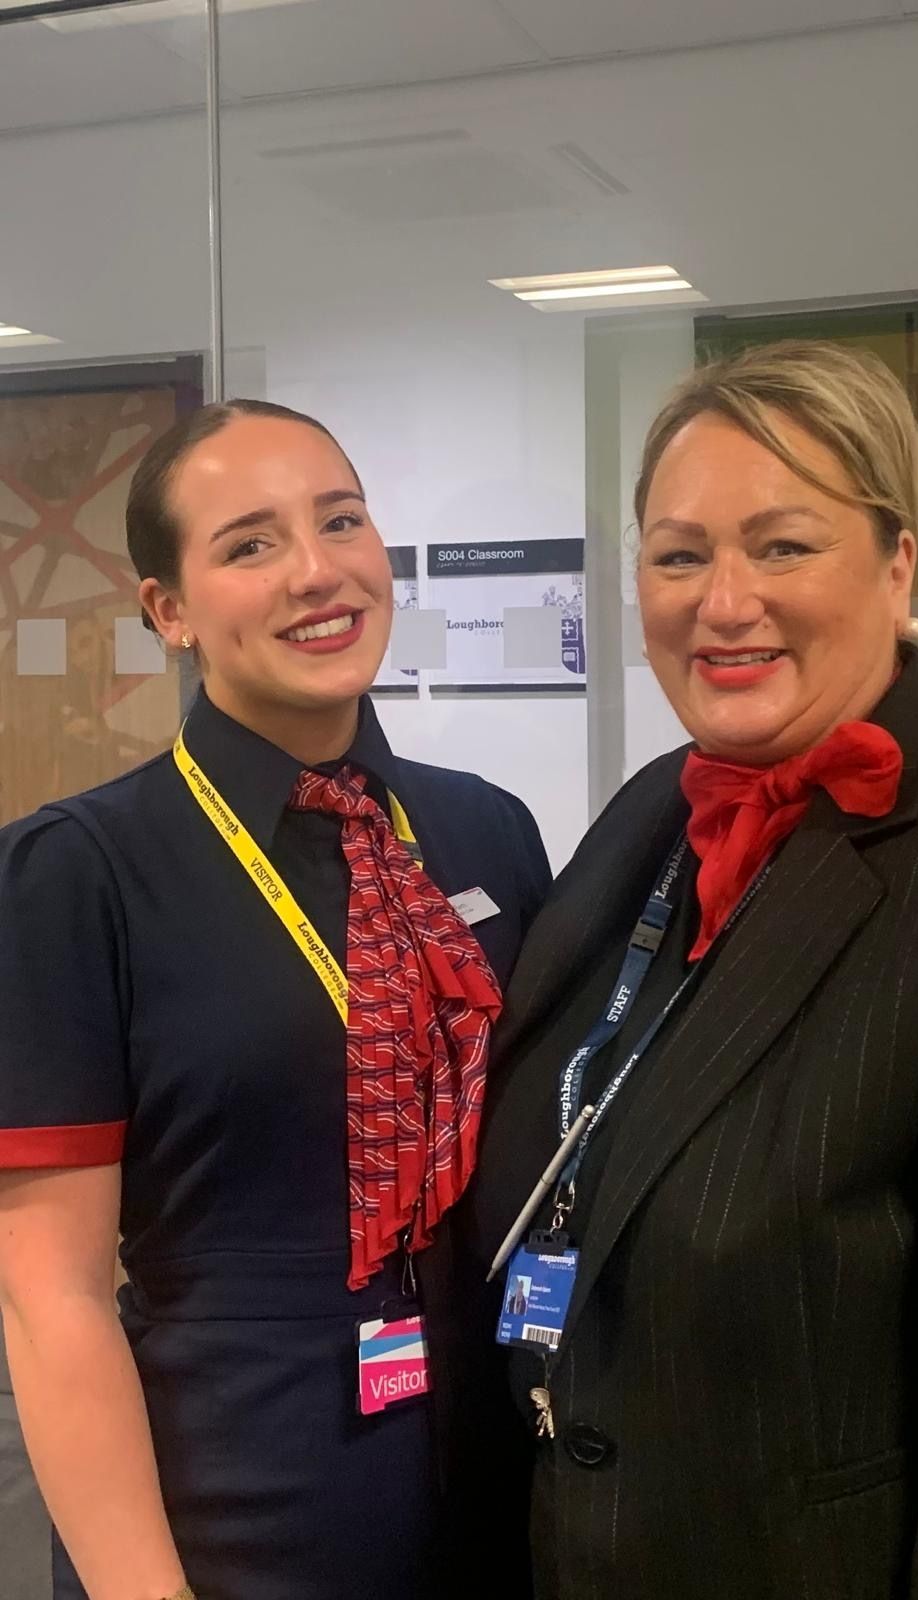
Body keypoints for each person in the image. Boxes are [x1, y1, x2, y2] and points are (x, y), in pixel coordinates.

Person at [0, 398, 551, 1600]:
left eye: (339, 520)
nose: (317, 572)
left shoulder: (484, 830)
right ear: (171, 609)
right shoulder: (80, 872)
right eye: (248, 544)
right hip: (239, 1495)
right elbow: (52, 1299)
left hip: (492, 1469)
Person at [466, 341, 918, 1599]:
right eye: (680, 553)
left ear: (896, 561)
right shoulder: (648, 813)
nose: (724, 601)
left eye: (784, 545)